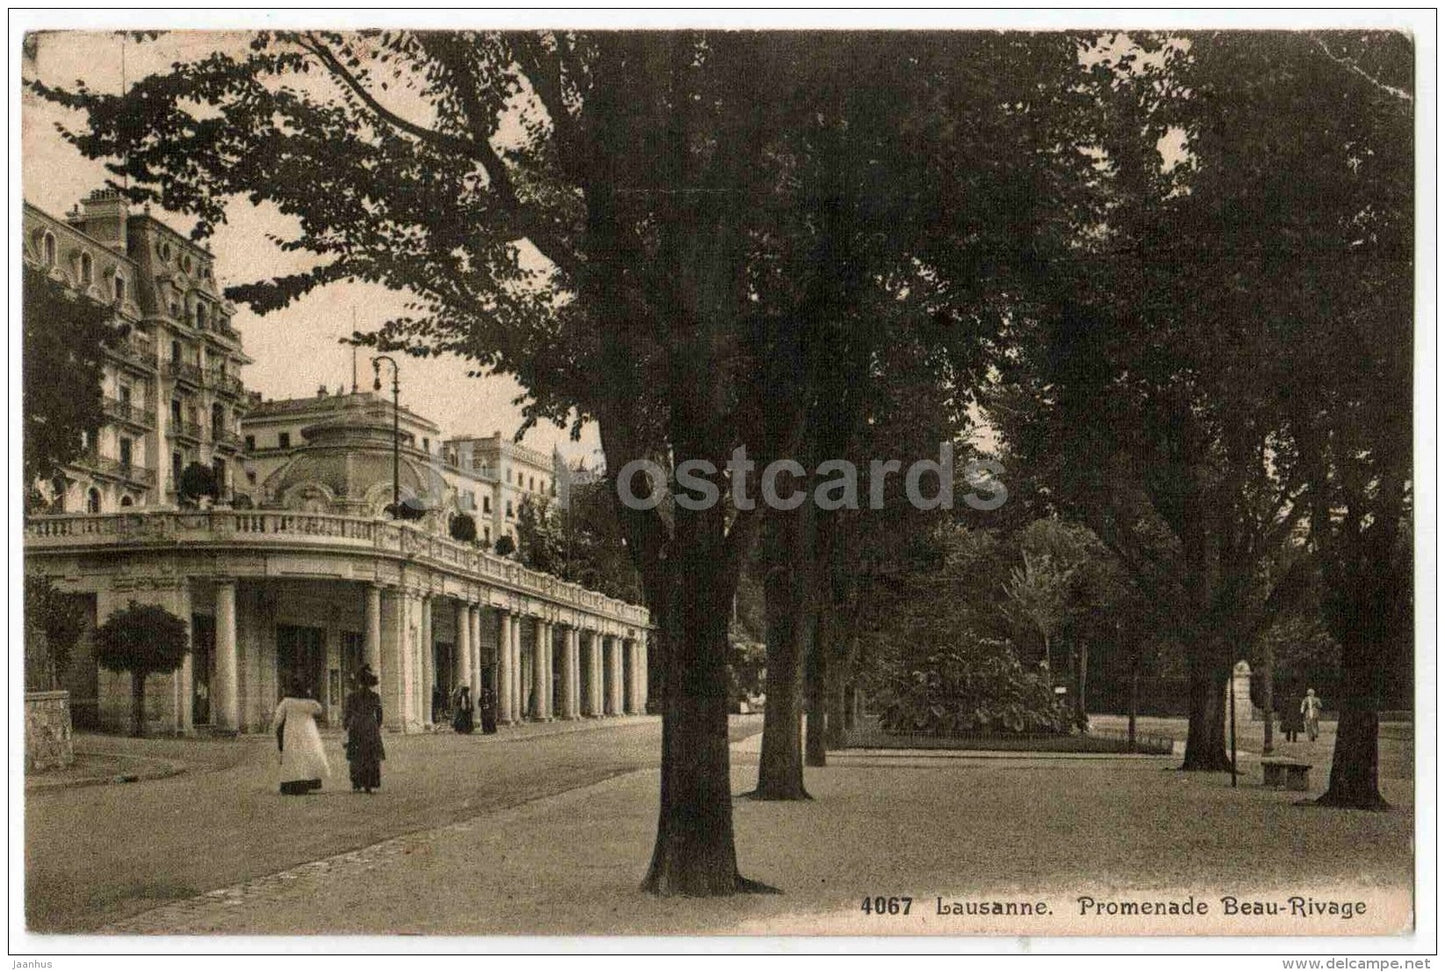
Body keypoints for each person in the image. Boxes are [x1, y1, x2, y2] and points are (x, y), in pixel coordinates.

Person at [270, 679, 329, 795]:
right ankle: (309, 780)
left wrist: (275, 729)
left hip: (292, 730)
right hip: (308, 730)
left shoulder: (287, 701)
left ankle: (293, 783)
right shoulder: (309, 702)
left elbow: (278, 718)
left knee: (293, 756)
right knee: (308, 754)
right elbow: (319, 709)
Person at [344, 664, 385, 793]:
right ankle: (369, 782)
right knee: (371, 755)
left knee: (357, 755)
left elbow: (348, 713)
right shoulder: (375, 696)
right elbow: (379, 714)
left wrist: (346, 725)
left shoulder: (352, 696)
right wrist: (376, 725)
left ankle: (356, 781)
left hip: (356, 725)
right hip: (370, 725)